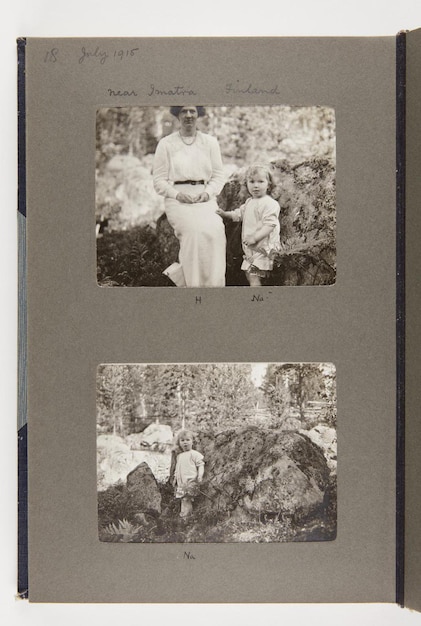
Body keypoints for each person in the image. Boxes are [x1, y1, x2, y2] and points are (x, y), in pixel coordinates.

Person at [153, 106, 226, 287]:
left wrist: (207, 193)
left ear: (198, 114)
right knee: (194, 232)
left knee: (216, 231)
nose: (188, 115)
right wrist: (177, 195)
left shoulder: (210, 142)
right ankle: (193, 289)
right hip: (178, 199)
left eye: (192, 111)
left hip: (204, 197)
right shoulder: (166, 144)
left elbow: (218, 175)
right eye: (184, 111)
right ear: (177, 114)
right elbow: (159, 181)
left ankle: (215, 288)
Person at [217, 164, 280, 286]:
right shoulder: (250, 202)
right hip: (252, 250)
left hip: (263, 248)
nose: (256, 185)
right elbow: (239, 214)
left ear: (269, 185)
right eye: (251, 182)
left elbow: (270, 225)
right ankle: (259, 296)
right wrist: (225, 214)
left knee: (253, 276)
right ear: (246, 184)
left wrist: (254, 237)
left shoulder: (270, 204)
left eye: (260, 182)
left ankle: (256, 299)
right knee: (251, 274)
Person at [171, 429, 204, 518]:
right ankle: (185, 517)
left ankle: (186, 517)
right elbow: (177, 469)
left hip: (190, 481)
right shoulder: (179, 456)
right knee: (183, 499)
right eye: (182, 440)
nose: (185, 443)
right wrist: (175, 479)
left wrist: (200, 475)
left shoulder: (194, 454)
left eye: (188, 440)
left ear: (193, 441)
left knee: (186, 499)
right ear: (179, 443)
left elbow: (201, 465)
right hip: (181, 483)